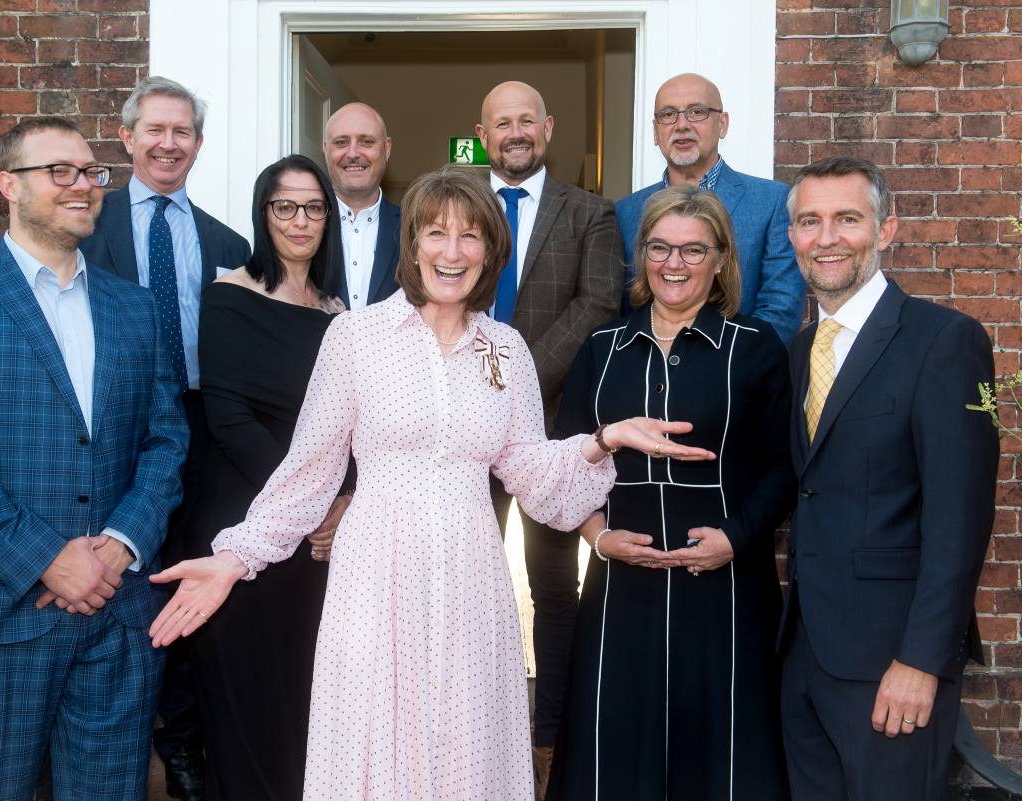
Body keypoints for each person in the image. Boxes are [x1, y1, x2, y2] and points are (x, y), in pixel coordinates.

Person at [147, 165, 714, 801]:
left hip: (473, 580)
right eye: (436, 234)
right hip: (374, 580)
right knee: (376, 745)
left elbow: (529, 473)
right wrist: (235, 558)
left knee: (466, 750)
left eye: (470, 237)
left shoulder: (507, 350)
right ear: (411, 245)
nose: (452, 252)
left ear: (490, 251)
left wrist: (602, 439)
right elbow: (310, 468)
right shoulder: (355, 337)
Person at [0, 117, 188, 801]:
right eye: (62, 171)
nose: (84, 185)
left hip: (117, 613)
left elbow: (167, 440)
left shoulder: (135, 309)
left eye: (91, 173)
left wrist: (117, 547)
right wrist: (48, 558)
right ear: (8, 187)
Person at [548, 185, 795, 801]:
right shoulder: (601, 350)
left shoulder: (756, 348)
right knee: (615, 752)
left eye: (692, 250)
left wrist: (734, 540)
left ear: (720, 261)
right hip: (621, 587)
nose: (674, 264)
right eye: (659, 247)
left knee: (724, 758)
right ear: (642, 256)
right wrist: (598, 537)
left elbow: (786, 469)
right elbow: (559, 464)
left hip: (727, 587)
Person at [778, 157, 999, 801]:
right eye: (809, 221)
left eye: (848, 219)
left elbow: (959, 519)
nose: (826, 238)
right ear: (791, 236)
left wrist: (922, 661)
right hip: (805, 656)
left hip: (892, 663)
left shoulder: (944, 341)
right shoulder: (800, 353)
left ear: (886, 230)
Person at [79, 75, 250, 801]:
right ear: (126, 138)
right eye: (155, 129)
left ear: (199, 145)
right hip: (112, 432)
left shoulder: (230, 242)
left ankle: (179, 735)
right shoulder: (87, 225)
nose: (168, 143)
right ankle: (115, 734)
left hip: (204, 431)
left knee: (188, 577)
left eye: (183, 132)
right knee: (119, 581)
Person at [474, 80, 625, 791]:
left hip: (554, 426)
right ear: (482, 131)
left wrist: (511, 377)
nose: (514, 132)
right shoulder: (459, 209)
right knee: (466, 582)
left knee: (555, 587)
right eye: (501, 122)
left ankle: (551, 733)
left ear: (548, 127)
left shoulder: (590, 213)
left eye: (525, 120)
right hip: (464, 436)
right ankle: (474, 719)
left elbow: (599, 302)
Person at [185, 154, 347, 800]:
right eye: (285, 206)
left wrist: (342, 502)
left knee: (308, 707)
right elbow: (228, 418)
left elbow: (351, 428)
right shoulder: (228, 297)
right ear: (263, 213)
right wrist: (308, 504)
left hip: (321, 546)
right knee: (250, 708)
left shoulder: (340, 312)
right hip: (245, 524)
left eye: (313, 207)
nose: (300, 220)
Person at [616, 72, 804, 345]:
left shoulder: (773, 202)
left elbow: (781, 309)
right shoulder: (625, 213)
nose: (681, 125)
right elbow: (625, 311)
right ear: (656, 131)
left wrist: (726, 368)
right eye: (668, 115)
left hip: (738, 377)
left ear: (723, 124)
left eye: (697, 112)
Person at [322, 101, 401, 309]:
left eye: (366, 142)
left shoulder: (415, 227)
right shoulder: (302, 226)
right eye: (341, 142)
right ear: (325, 149)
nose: (353, 153)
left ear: (387, 149)